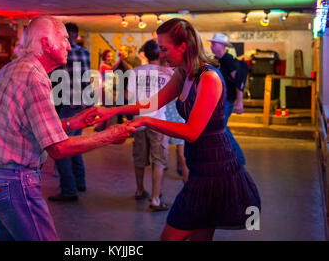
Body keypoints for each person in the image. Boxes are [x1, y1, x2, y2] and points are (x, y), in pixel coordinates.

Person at [88, 18, 260, 241]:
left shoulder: (208, 78)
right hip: (199, 163)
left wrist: (145, 122)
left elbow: (191, 131)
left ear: (184, 46)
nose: (161, 54)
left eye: (164, 48)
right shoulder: (183, 73)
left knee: (172, 236)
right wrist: (111, 111)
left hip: (216, 165)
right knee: (201, 234)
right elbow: (150, 104)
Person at [0, 15, 135, 241]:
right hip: (13, 179)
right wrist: (110, 135)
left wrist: (75, 122)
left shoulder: (18, 68)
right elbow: (58, 148)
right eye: (63, 39)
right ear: (46, 43)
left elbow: (29, 127)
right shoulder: (34, 76)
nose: (69, 45)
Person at [127, 40, 173, 211]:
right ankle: (155, 199)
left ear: (144, 54)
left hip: (138, 121)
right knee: (159, 160)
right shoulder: (167, 73)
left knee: (139, 158)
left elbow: (127, 96)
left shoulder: (134, 72)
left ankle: (140, 190)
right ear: (160, 53)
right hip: (158, 122)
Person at [48, 23, 90, 202]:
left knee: (61, 148)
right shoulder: (85, 52)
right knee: (75, 145)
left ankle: (69, 190)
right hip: (83, 103)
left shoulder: (64, 53)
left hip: (69, 104)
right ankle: (80, 182)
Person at [208, 33, 246, 166]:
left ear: (222, 46)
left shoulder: (229, 60)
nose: (212, 45)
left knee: (221, 128)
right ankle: (227, 157)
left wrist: (239, 102)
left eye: (215, 43)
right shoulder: (216, 61)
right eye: (212, 43)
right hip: (220, 101)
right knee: (221, 128)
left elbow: (239, 81)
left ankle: (238, 159)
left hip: (227, 101)